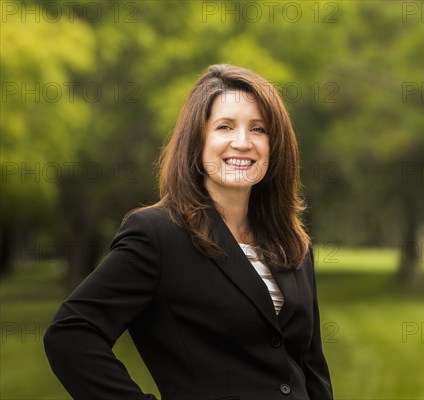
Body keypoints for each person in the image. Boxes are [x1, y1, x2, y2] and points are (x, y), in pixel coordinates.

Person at [44, 64, 334, 400]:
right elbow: (71, 335)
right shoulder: (157, 235)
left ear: (275, 144)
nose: (242, 143)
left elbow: (312, 369)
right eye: (225, 127)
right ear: (198, 140)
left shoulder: (292, 243)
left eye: (259, 129)